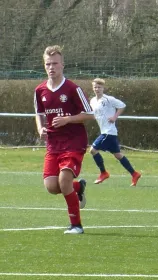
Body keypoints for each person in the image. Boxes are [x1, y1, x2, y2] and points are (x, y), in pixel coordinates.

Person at [34, 45, 95, 234]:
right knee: (52, 186)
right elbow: (39, 114)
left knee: (64, 179)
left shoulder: (72, 89)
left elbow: (90, 114)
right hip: (53, 144)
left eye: (55, 63)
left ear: (62, 65)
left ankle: (76, 225)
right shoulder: (40, 90)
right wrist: (40, 128)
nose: (51, 67)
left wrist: (68, 119)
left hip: (74, 142)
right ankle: (78, 187)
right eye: (48, 64)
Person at [89, 78, 141, 186]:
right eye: (95, 87)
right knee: (118, 155)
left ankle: (103, 173)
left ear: (103, 88)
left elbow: (122, 105)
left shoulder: (108, 99)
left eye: (99, 87)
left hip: (108, 132)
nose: (97, 89)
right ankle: (134, 174)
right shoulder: (93, 101)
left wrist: (114, 117)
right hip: (106, 131)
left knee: (93, 150)